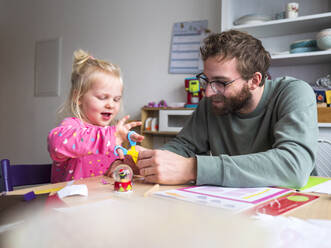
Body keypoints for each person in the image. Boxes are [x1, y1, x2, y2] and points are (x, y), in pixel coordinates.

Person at [136, 30, 318, 188]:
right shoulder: (212, 102)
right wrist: (146, 161)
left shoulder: (293, 92)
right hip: (232, 205)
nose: (208, 92)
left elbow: (294, 166)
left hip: (296, 205)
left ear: (254, 80)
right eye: (206, 80)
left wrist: (193, 169)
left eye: (221, 82)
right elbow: (184, 146)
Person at [48, 49, 144, 183]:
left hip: (101, 201)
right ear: (78, 97)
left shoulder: (110, 134)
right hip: (70, 202)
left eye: (116, 99)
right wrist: (110, 137)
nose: (111, 105)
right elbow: (56, 144)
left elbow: (107, 173)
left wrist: (123, 164)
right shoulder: (73, 126)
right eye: (103, 97)